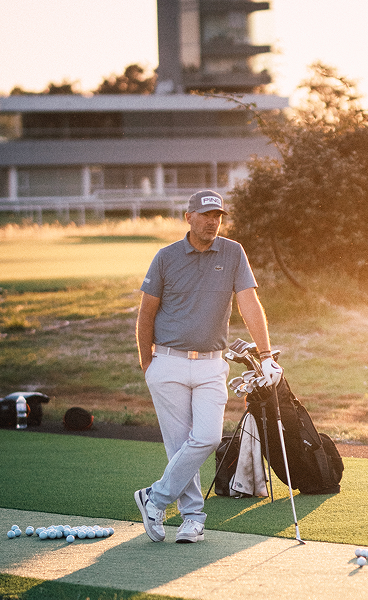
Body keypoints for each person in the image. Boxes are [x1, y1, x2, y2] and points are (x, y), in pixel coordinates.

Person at [134, 189, 282, 543]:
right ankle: (192, 518)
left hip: (211, 365)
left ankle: (153, 498)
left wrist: (265, 356)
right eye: (205, 215)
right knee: (178, 445)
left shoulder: (233, 253)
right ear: (188, 217)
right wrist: (148, 365)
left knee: (207, 437)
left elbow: (249, 304)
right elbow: (146, 314)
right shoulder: (166, 257)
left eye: (218, 215)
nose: (213, 221)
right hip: (167, 363)